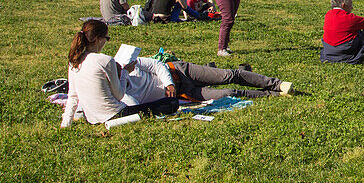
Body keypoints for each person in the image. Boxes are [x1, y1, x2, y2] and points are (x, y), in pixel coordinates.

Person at [64, 20, 178, 125]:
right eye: (106, 38)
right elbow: (119, 94)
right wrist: (125, 73)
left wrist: (66, 123)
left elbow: (73, 96)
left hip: (92, 118)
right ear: (99, 39)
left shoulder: (74, 62)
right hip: (115, 114)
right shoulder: (105, 61)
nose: (106, 42)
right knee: (172, 102)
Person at [119, 54, 291, 105]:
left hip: (179, 71)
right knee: (229, 92)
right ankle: (272, 94)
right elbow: (137, 108)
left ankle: (277, 84)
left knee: (229, 75)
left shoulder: (124, 62)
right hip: (185, 93)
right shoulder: (122, 96)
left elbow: (156, 65)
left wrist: (169, 84)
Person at [320, 0, 364, 64]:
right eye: (351, 4)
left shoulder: (328, 15)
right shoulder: (350, 18)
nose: (352, 7)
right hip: (347, 51)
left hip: (330, 51)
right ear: (343, 5)